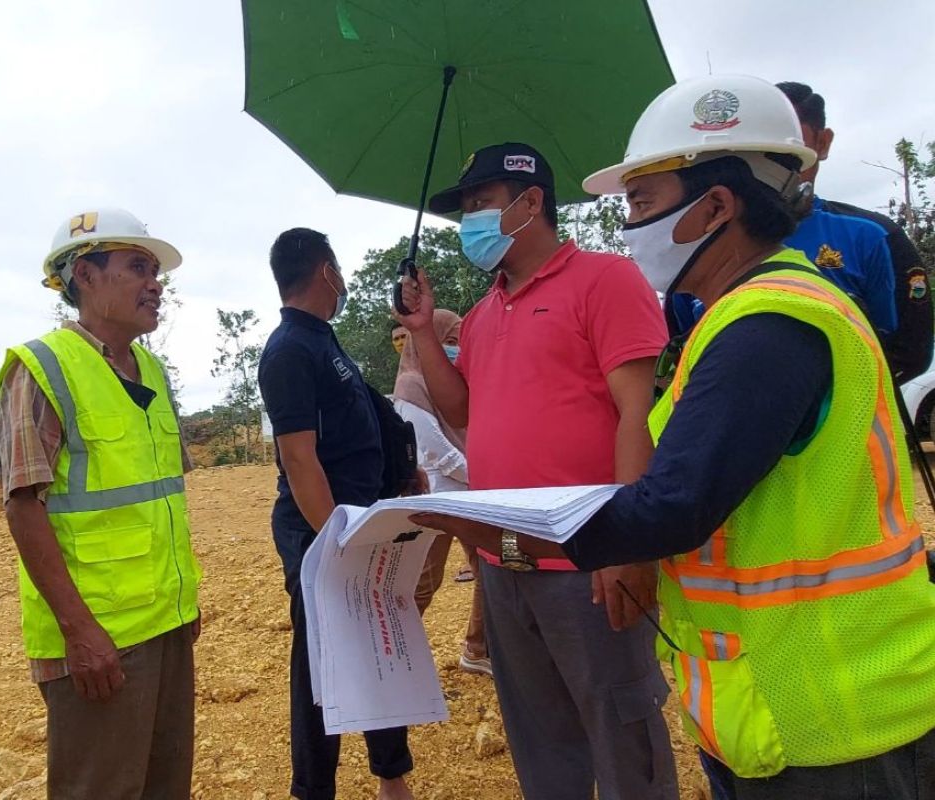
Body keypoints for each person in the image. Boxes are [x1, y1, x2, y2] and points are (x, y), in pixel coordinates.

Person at [417, 75, 935, 800]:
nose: (628, 226)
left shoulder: (771, 325)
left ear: (718, 206)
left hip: (833, 714)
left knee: (618, 730)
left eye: (641, 203)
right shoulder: (742, 314)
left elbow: (674, 503)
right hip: (778, 698)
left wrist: (494, 525)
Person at [395, 143, 677, 799]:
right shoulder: (487, 312)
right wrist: (423, 334)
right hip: (506, 562)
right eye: (464, 208)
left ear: (530, 203)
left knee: (623, 736)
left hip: (588, 560)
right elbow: (461, 406)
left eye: (480, 204)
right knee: (541, 741)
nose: (469, 221)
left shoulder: (606, 281)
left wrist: (632, 545)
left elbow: (637, 411)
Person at [0, 208, 201, 800]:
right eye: (138, 267)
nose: (155, 284)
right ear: (84, 275)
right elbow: (22, 506)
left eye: (156, 271)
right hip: (99, 639)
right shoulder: (43, 369)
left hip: (165, 624)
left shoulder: (153, 372)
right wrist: (79, 632)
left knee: (166, 785)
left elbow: (160, 500)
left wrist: (184, 600)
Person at [258, 228, 415, 800]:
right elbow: (298, 459)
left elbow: (359, 428)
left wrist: (400, 473)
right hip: (325, 532)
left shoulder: (323, 343)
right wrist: (336, 543)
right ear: (327, 272)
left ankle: (391, 777)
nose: (343, 278)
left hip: (363, 522)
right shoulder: (288, 351)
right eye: (340, 268)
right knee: (322, 661)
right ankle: (313, 788)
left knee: (377, 642)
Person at [777, 81, 932, 384]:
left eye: (790, 144)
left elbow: (911, 352)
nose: (775, 161)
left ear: (822, 143)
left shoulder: (874, 236)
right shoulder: (704, 243)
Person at [393, 309, 489, 676]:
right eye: (448, 342)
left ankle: (477, 648)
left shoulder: (450, 384)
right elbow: (433, 448)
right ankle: (392, 655)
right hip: (436, 499)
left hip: (465, 497)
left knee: (486, 571)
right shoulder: (411, 384)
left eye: (456, 343)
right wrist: (479, 473)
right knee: (423, 580)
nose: (454, 351)